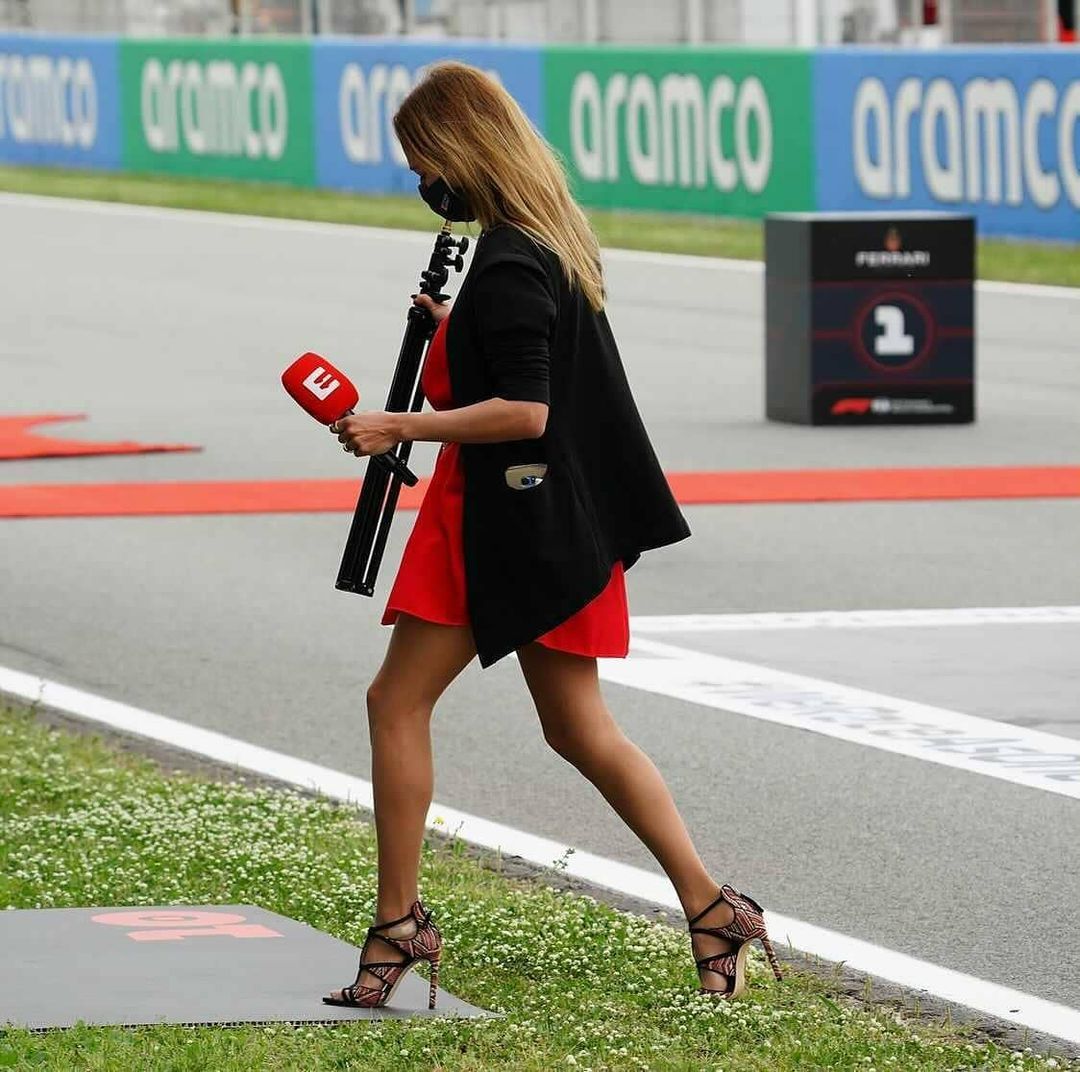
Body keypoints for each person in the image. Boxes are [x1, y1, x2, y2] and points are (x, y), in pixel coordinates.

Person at [322, 61, 783, 1011]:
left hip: (516, 528)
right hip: (537, 521)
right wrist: (454, 328)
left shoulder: (509, 261)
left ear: (457, 151)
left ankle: (400, 925)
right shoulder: (540, 244)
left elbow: (525, 411)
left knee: (408, 705)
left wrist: (395, 424)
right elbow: (523, 367)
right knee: (568, 728)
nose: (419, 181)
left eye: (421, 162)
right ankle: (713, 910)